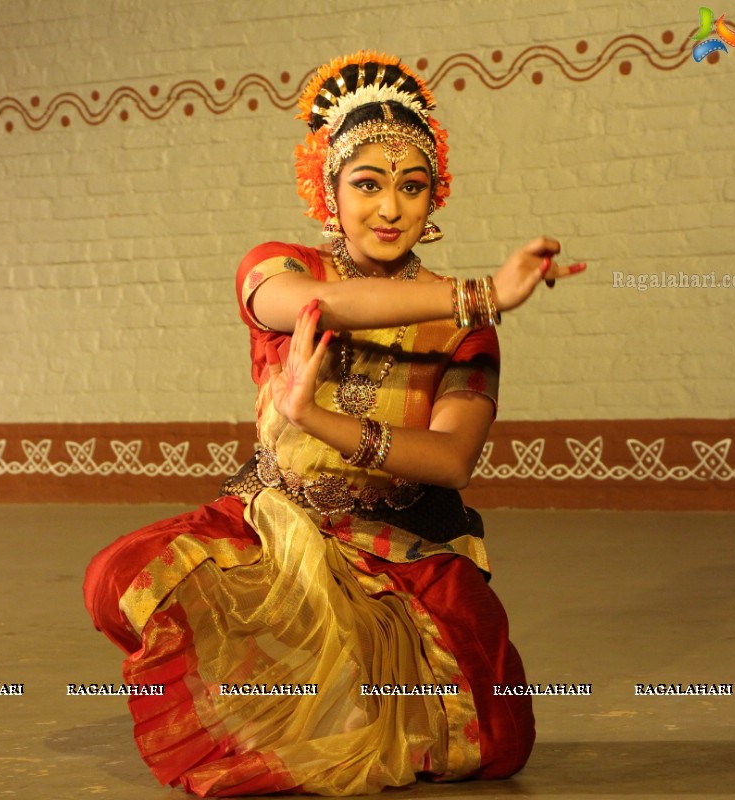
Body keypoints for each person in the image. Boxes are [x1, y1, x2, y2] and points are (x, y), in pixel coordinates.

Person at [83, 51, 586, 796]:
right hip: (277, 526)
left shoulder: (465, 334)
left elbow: (450, 462)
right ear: (329, 190)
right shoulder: (278, 268)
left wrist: (313, 414)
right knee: (121, 579)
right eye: (368, 185)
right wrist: (478, 293)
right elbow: (324, 310)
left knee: (497, 733)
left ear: (434, 198)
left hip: (400, 549)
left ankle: (336, 702)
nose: (390, 209)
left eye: (412, 188)